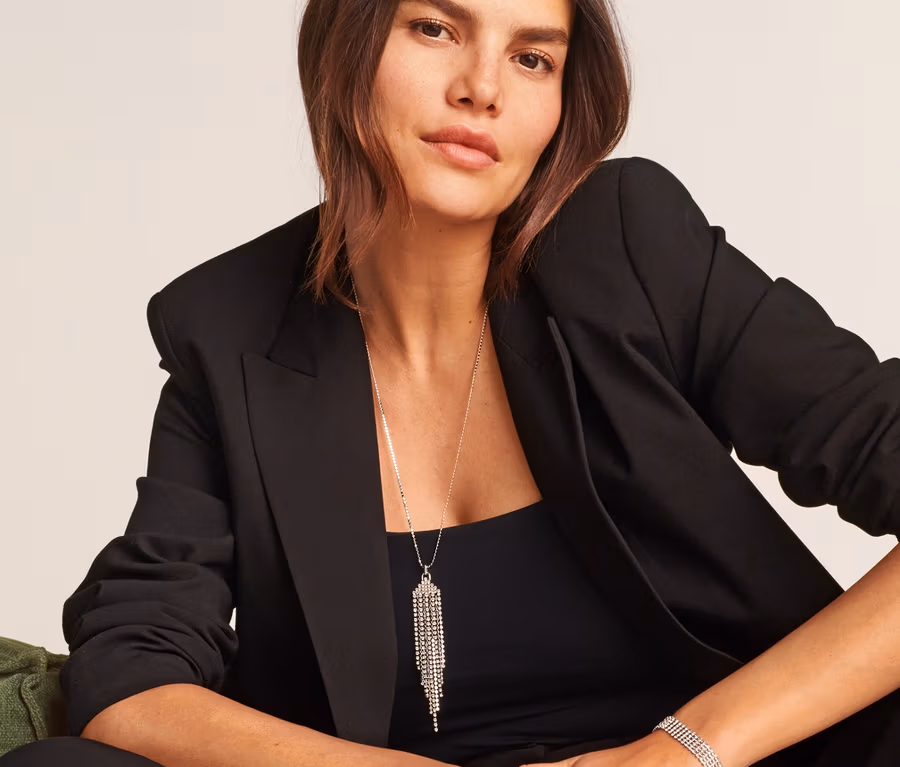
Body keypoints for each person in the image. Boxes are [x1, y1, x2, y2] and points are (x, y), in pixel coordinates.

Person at [4, 0, 900, 765]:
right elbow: (132, 672)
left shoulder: (629, 244)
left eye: (532, 57)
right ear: (347, 43)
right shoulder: (230, 327)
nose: (483, 87)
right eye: (435, 28)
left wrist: (679, 752)